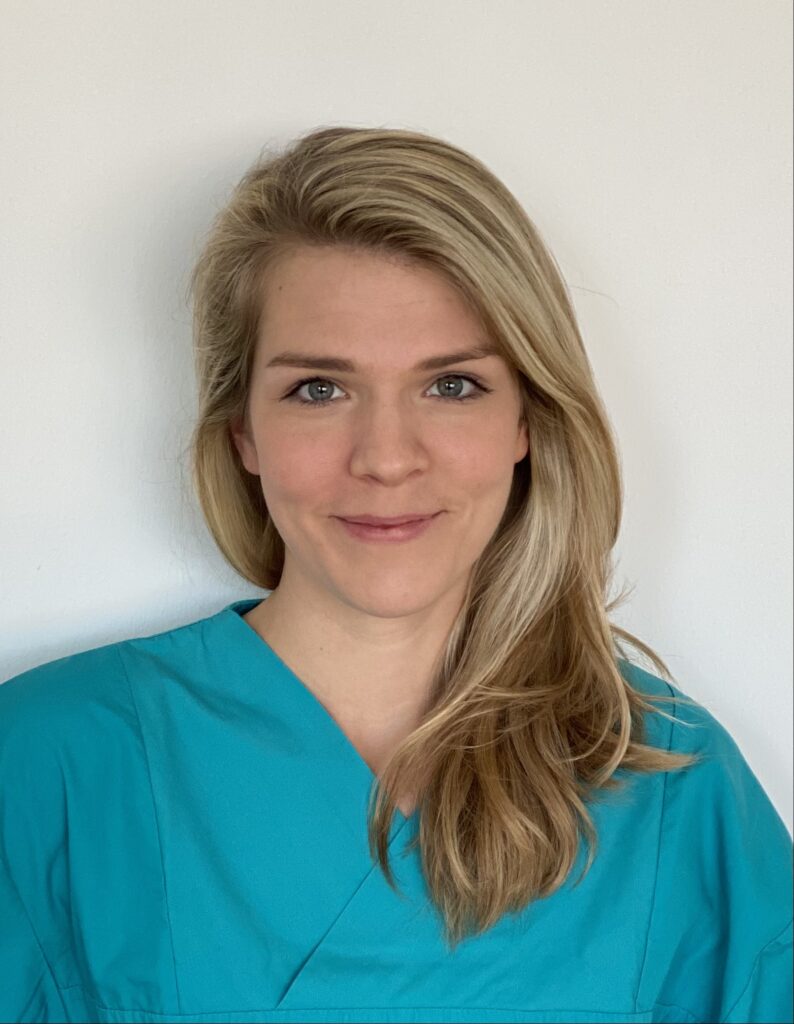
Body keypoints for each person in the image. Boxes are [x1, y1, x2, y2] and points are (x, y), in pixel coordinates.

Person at [1, 125, 791, 1024]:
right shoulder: (50, 765)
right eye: (319, 389)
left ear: (528, 420)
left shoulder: (668, 785)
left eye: (451, 386)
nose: (385, 457)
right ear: (243, 432)